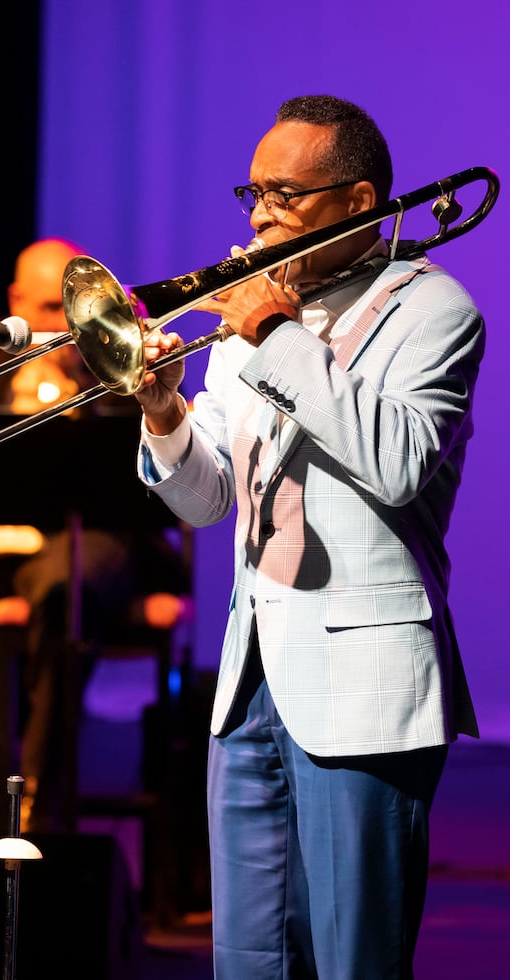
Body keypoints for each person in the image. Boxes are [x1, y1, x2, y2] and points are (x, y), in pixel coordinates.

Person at [131, 95, 483, 977]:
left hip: (364, 689)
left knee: (354, 961)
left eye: (283, 197)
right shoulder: (250, 321)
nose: (257, 217)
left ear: (358, 202)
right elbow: (209, 500)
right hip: (251, 682)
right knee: (246, 960)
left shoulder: (433, 310)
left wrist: (278, 335)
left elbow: (398, 462)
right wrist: (163, 409)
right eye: (252, 194)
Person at [0, 237, 190, 834]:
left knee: (62, 590)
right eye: (48, 308)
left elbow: (159, 459)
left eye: (68, 309)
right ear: (16, 302)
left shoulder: (121, 355)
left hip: (97, 542)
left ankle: (40, 813)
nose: (62, 324)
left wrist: (94, 385)